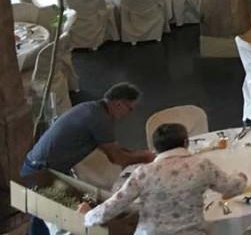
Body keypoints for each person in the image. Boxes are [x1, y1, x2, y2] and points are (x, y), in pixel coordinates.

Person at [22, 83, 155, 235]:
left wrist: (139, 153)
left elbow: (114, 150)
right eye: (130, 108)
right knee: (79, 222)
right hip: (41, 173)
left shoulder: (92, 109)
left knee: (44, 218)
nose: (130, 113)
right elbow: (117, 158)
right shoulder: (100, 119)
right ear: (118, 103)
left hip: (40, 168)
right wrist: (146, 156)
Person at [82, 122, 246, 235]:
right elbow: (232, 187)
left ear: (154, 148)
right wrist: (241, 177)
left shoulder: (144, 173)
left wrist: (87, 216)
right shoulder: (202, 166)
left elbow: (114, 205)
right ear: (186, 142)